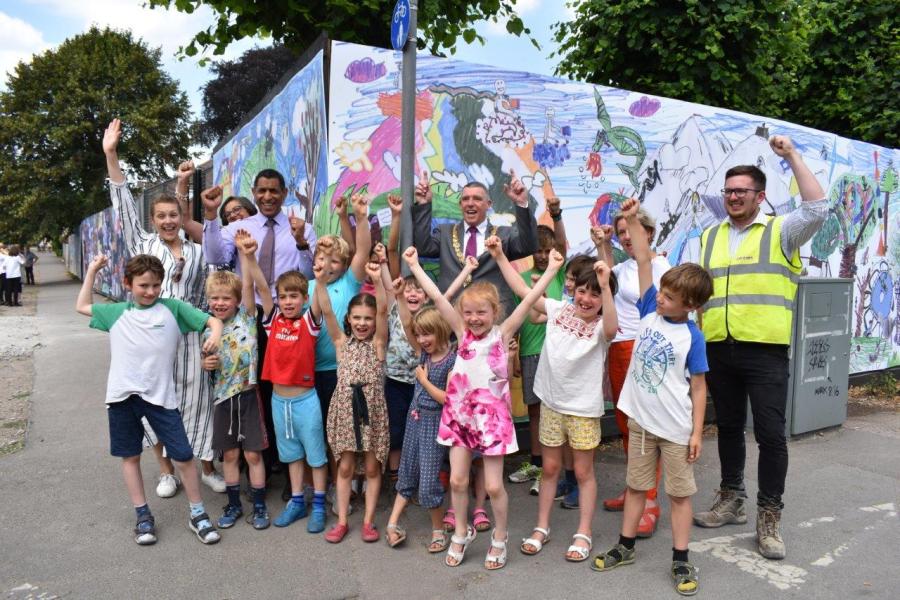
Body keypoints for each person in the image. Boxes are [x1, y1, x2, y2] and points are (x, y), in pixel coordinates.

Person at [694, 135, 827, 560]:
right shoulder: (710, 236)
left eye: (741, 191)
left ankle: (769, 514)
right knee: (729, 428)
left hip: (765, 350)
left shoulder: (781, 230)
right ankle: (731, 497)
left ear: (759, 196)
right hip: (719, 347)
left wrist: (790, 155)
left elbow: (818, 209)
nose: (733, 197)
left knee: (770, 436)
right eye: (728, 191)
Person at [405, 244, 565, 571]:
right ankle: (461, 533)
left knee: (493, 485)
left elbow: (531, 299)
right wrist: (415, 265)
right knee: (458, 481)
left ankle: (501, 536)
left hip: (492, 421)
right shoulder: (461, 334)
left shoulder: (501, 334)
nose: (475, 318)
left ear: (494, 312)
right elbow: (437, 298)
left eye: (482, 312)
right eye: (469, 312)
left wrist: (550, 270)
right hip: (460, 416)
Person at [591, 197, 713, 597]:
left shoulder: (691, 337)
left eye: (669, 297)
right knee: (637, 487)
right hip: (643, 425)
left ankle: (680, 557)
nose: (660, 297)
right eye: (660, 291)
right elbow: (643, 259)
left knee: (679, 495)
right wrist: (627, 215)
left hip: (676, 431)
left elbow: (698, 386)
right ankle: (625, 547)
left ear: (690, 306)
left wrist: (696, 433)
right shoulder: (647, 312)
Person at [103, 119, 223, 496]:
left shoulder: (199, 252)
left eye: (175, 215)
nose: (169, 221)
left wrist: (211, 332)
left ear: (181, 219)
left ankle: (206, 466)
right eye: (162, 216)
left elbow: (208, 298)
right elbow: (122, 201)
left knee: (197, 398)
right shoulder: (143, 245)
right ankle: (166, 471)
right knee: (154, 399)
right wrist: (111, 154)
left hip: (188, 336)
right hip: (150, 337)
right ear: (153, 221)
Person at [76, 254, 223, 546]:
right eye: (144, 285)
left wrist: (216, 334)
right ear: (127, 284)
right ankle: (142, 515)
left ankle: (198, 514)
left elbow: (212, 321)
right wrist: (92, 269)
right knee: (130, 456)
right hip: (121, 397)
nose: (151, 291)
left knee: (183, 456)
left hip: (161, 398)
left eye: (156, 285)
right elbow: (81, 306)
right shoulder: (115, 312)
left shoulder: (172, 309)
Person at [490, 236, 618, 563]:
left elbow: (614, 329)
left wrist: (605, 285)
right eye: (582, 290)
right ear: (572, 290)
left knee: (584, 472)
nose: (586, 298)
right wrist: (501, 255)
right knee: (549, 468)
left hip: (583, 413)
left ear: (604, 298)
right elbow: (522, 291)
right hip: (551, 406)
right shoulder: (559, 309)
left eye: (595, 293)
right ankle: (541, 527)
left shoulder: (603, 326)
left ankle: (583, 532)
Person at [595, 208, 671, 538]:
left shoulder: (662, 267)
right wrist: (603, 245)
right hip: (619, 350)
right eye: (621, 231)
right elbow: (606, 288)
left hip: (645, 352)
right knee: (626, 426)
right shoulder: (623, 268)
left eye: (632, 230)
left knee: (645, 428)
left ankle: (650, 501)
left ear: (648, 232)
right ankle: (634, 489)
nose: (626, 236)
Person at [246, 234, 330, 534]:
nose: (288, 301)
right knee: (292, 455)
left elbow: (321, 302)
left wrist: (318, 279)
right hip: (279, 402)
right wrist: (250, 257)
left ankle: (318, 503)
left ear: (304, 298)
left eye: (295, 296)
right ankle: (296, 500)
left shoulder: (309, 322)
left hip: (306, 401)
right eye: (284, 297)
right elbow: (262, 288)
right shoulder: (273, 321)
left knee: (316, 456)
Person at [318, 256, 390, 544]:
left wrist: (376, 281)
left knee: (372, 468)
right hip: (346, 411)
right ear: (348, 319)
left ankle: (369, 521)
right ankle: (343, 520)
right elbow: (325, 311)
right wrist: (321, 282)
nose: (362, 323)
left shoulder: (378, 343)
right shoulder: (340, 343)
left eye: (367, 318)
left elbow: (384, 309)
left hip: (372, 411)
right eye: (357, 318)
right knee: (345, 467)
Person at [200, 241, 271, 531]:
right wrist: (206, 366)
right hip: (222, 399)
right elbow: (204, 365)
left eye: (225, 297)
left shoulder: (248, 317)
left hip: (248, 396)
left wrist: (247, 255)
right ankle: (233, 504)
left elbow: (259, 288)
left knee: (253, 454)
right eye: (214, 298)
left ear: (236, 299)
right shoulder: (207, 326)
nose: (219, 303)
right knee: (229, 455)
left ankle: (260, 505)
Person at [411, 171, 539, 315]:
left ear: (488, 204)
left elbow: (529, 246)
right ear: (460, 204)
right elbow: (423, 248)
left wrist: (522, 203)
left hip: (494, 319)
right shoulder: (445, 233)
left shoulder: (504, 235)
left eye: (477, 199)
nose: (470, 204)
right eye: (465, 199)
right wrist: (423, 204)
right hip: (452, 318)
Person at [507, 199, 568, 496]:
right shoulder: (520, 279)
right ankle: (536, 461)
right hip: (530, 351)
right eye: (538, 250)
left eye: (548, 250)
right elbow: (518, 320)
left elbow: (563, 244)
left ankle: (550, 469)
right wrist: (515, 353)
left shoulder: (559, 272)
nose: (543, 256)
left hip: (555, 355)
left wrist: (556, 215)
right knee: (533, 410)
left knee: (551, 411)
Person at [384, 305, 457, 552]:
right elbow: (406, 322)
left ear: (440, 330)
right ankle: (392, 523)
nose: (423, 340)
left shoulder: (451, 360)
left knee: (427, 482)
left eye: (428, 334)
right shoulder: (424, 353)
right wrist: (401, 295)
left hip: (434, 424)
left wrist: (424, 381)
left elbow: (447, 399)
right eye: (419, 335)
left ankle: (438, 530)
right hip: (414, 419)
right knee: (406, 471)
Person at [201, 171, 317, 292]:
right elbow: (215, 259)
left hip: (287, 308)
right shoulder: (236, 228)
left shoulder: (303, 229)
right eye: (262, 191)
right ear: (253, 192)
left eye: (273, 191)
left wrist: (301, 243)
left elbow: (309, 276)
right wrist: (210, 211)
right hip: (247, 307)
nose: (267, 197)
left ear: (285, 193)